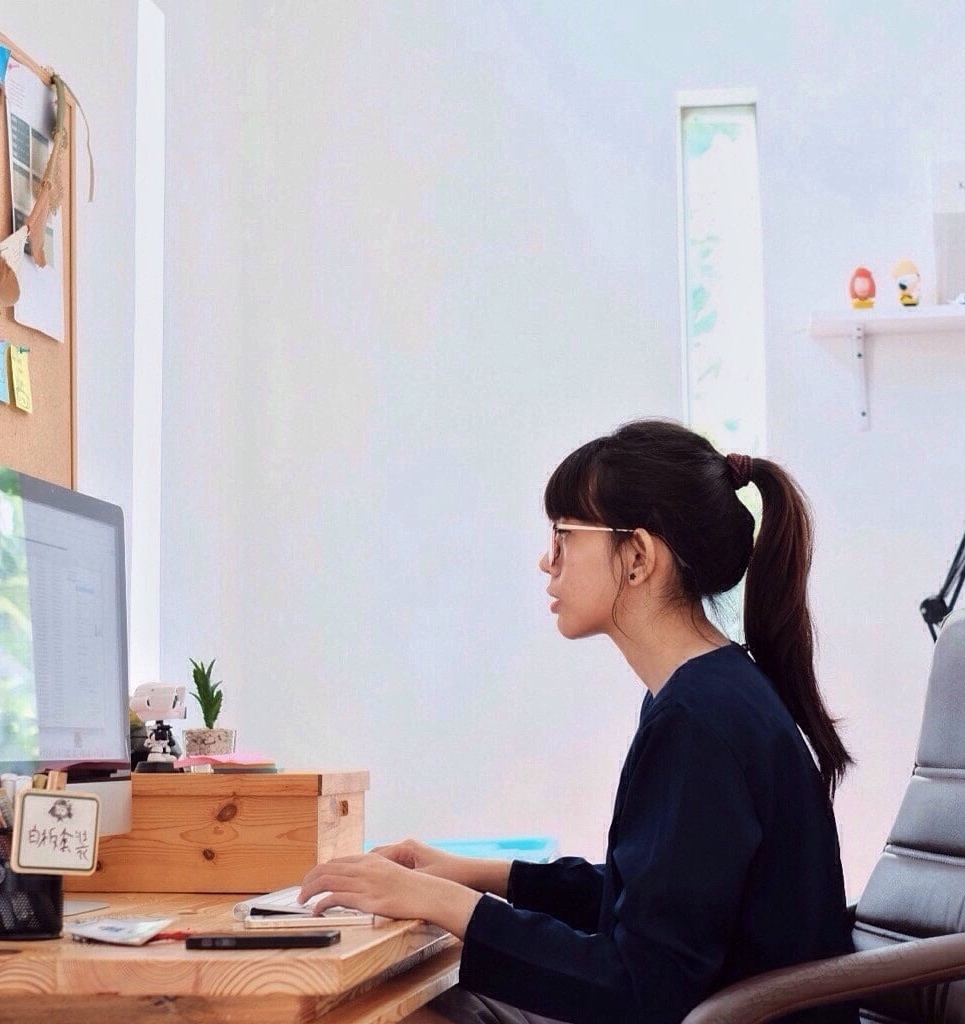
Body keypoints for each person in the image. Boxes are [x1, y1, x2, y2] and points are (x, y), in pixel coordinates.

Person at [299, 420, 858, 1024]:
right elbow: (652, 906)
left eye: (564, 535)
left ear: (638, 556)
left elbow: (638, 990)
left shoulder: (700, 721)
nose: (547, 560)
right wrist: (470, 875)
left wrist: (442, 901)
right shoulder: (707, 696)